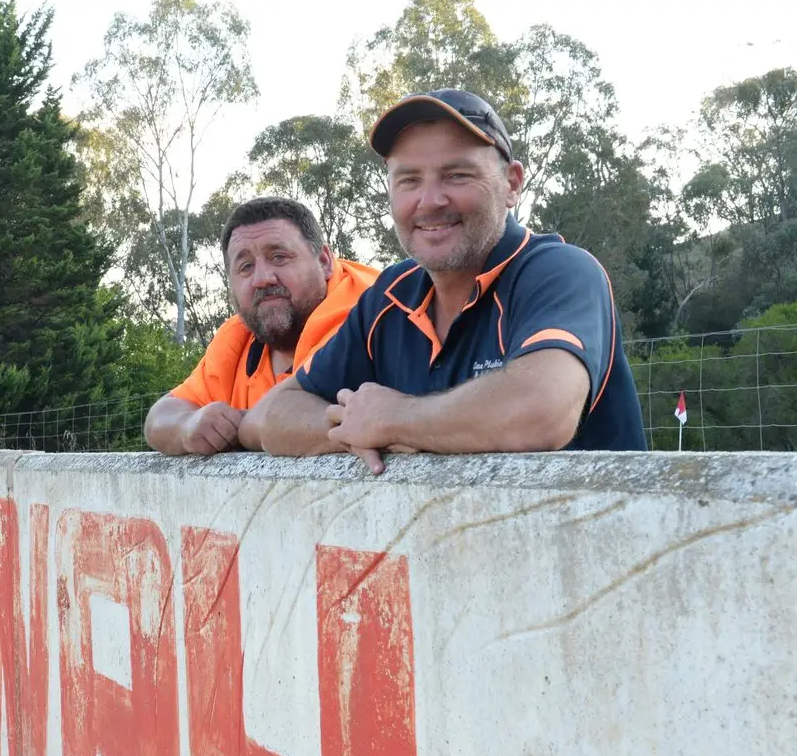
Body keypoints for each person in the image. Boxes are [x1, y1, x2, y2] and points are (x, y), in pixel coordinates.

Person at [241, 89, 646, 471]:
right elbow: (275, 416)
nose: (430, 201)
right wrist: (355, 429)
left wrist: (396, 419)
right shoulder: (390, 295)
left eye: (456, 175)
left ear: (512, 184)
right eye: (409, 180)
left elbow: (540, 412)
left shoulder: (561, 272)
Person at [143, 197, 380, 455]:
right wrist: (187, 426)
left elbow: (280, 419)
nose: (262, 279)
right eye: (246, 267)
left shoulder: (371, 313)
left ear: (324, 261)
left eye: (279, 257)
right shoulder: (238, 335)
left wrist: (241, 427)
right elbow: (159, 418)